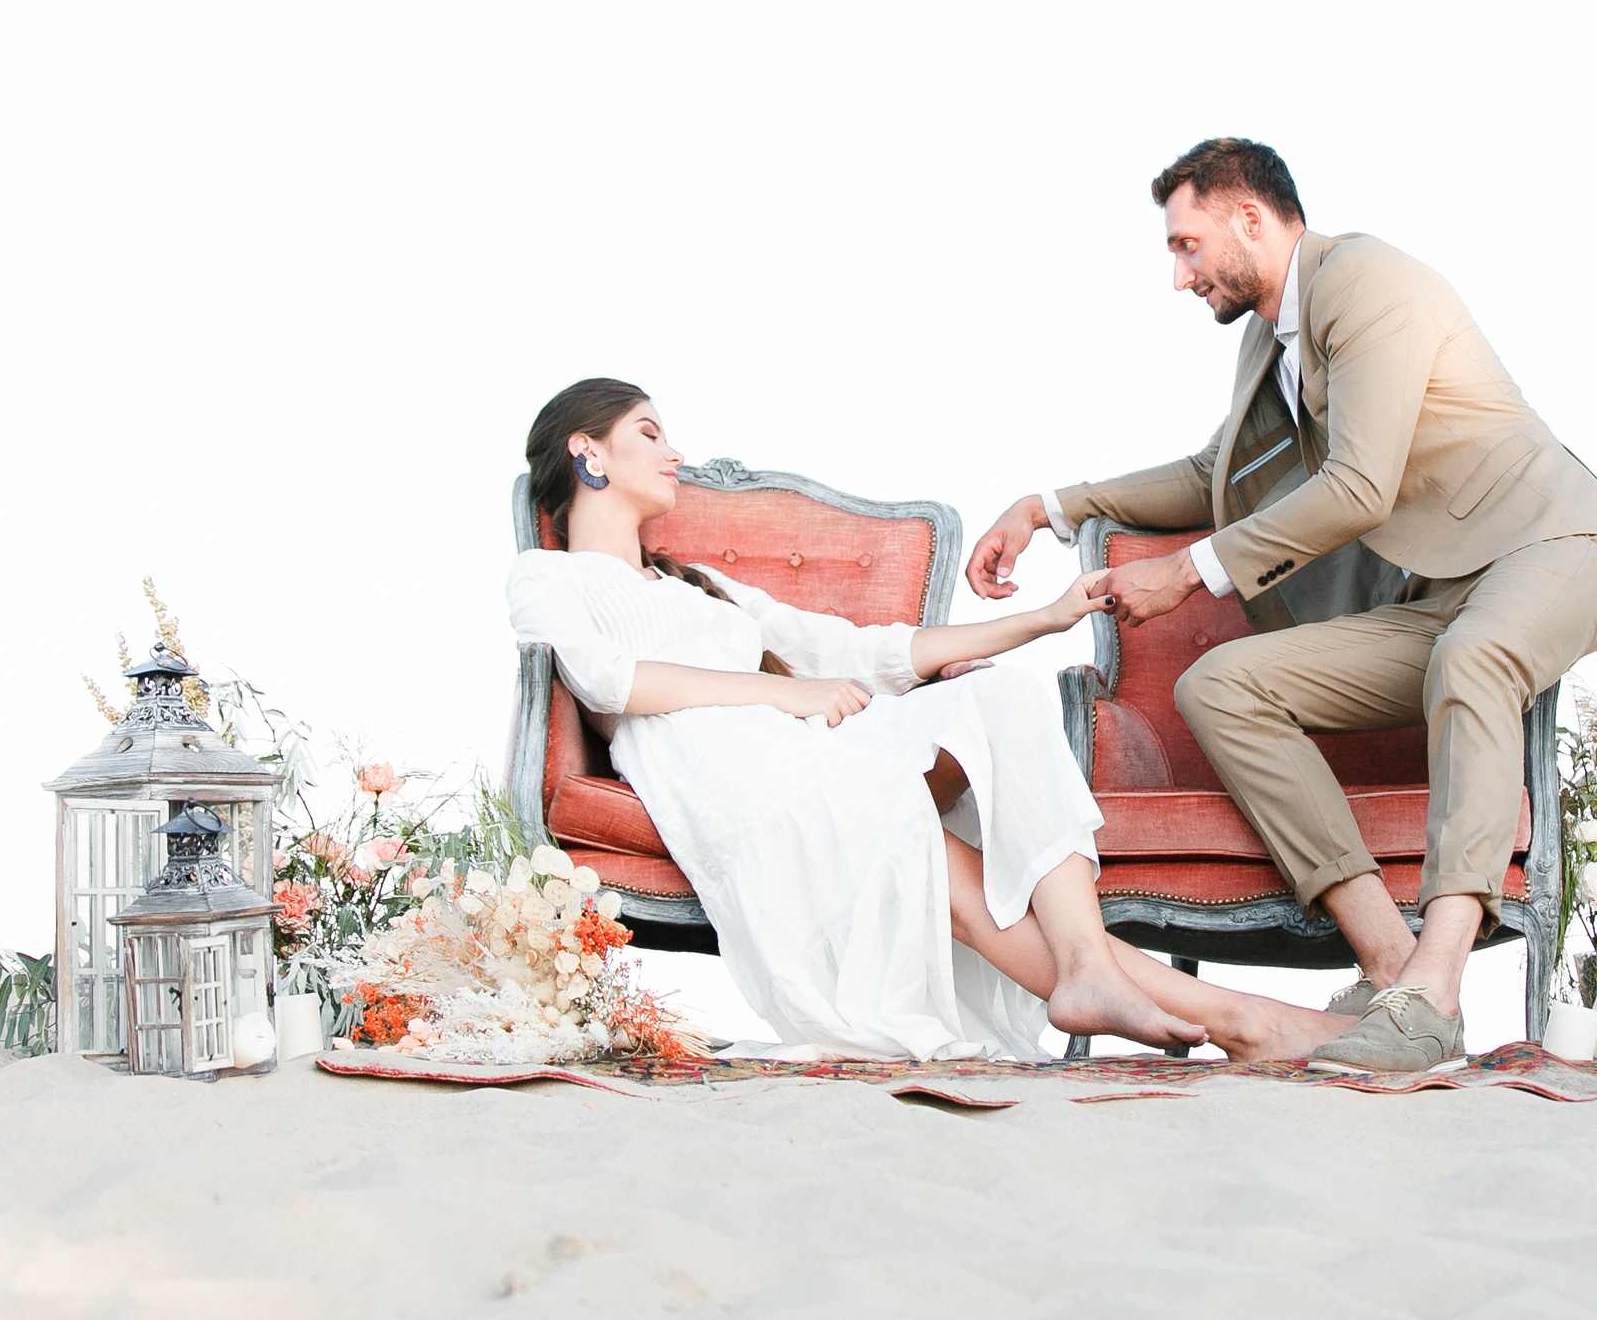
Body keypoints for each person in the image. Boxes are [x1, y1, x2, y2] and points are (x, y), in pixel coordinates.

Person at [968, 139, 1597, 1075]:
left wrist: (1189, 573)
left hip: (1556, 545)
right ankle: (1391, 971)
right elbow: (1216, 477)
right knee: (1224, 687)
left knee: (1475, 657)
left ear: (1251, 218)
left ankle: (1437, 990)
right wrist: (1052, 506)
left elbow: (1360, 486)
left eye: (1188, 244)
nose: (1179, 276)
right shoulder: (1266, 340)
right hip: (1443, 598)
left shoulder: (1366, 282)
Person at [507, 377, 1356, 1064]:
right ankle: (1249, 1019)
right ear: (588, 451)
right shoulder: (549, 579)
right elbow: (612, 683)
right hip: (727, 770)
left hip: (802, 741)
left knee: (1000, 695)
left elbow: (864, 650)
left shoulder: (698, 585)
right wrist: (787, 695)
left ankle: (1095, 967)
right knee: (920, 843)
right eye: (650, 431)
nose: (675, 451)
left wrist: (1048, 617)